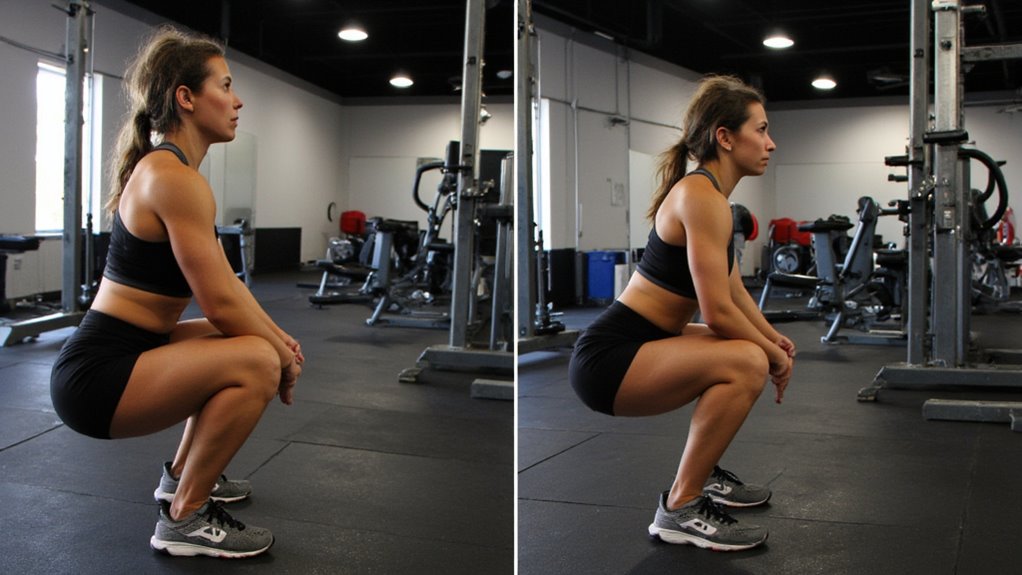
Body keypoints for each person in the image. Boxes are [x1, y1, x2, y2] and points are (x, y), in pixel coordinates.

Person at [49, 26, 303, 559]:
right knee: (257, 361)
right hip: (97, 378)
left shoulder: (174, 172)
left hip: (128, 352)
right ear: (186, 98)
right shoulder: (173, 178)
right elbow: (220, 302)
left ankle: (183, 476)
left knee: (240, 342)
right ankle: (185, 517)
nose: (237, 101)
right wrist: (279, 355)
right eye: (225, 86)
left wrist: (282, 338)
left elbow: (227, 293)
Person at [568, 75, 794, 552]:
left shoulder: (712, 198)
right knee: (747, 361)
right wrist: (770, 354)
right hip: (609, 359)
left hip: (640, 341)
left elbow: (734, 291)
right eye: (761, 130)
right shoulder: (701, 197)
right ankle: (681, 506)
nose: (770, 143)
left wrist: (773, 337)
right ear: (725, 137)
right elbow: (716, 313)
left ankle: (702, 472)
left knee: (751, 349)